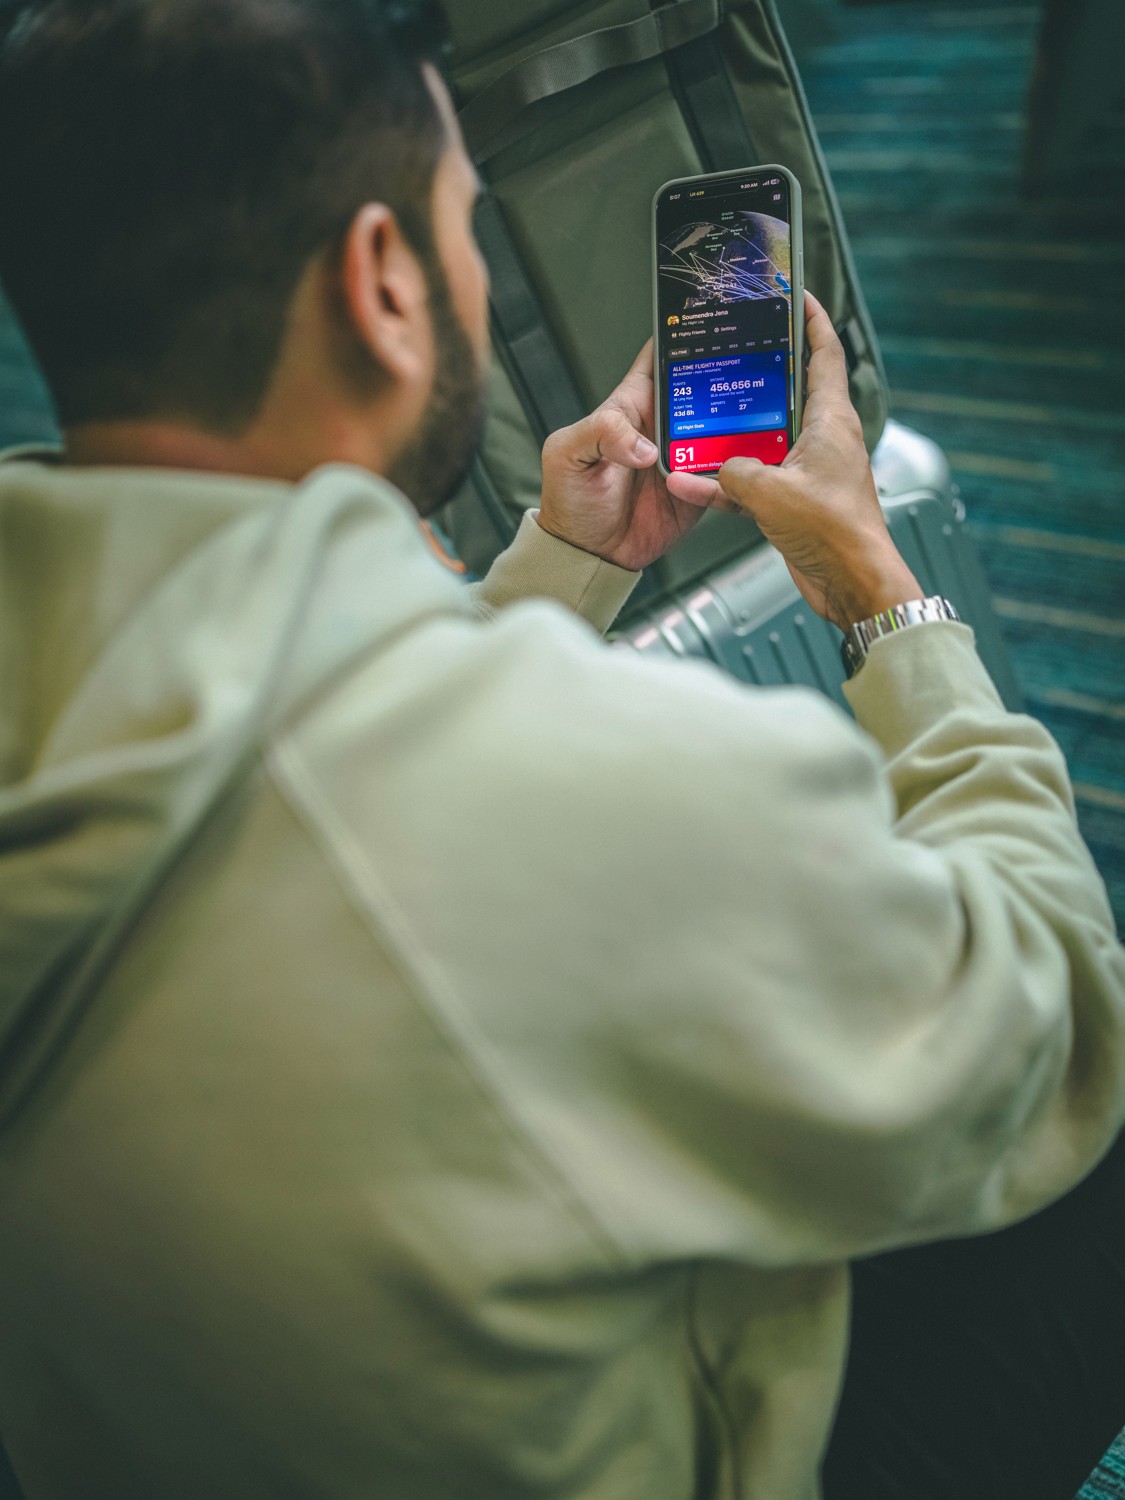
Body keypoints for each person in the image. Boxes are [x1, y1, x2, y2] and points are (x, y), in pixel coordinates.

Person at [0, 2, 1121, 1498]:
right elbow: (1044, 1020)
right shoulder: (631, 788)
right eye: (467, 218)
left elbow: (276, 715)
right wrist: (876, 591)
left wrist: (550, 571)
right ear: (384, 282)